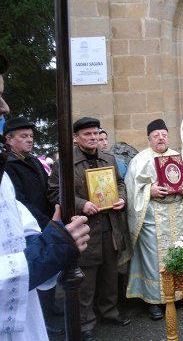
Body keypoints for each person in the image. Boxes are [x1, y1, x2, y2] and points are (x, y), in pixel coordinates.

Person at [0, 51, 90, 341]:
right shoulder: (11, 164)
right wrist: (50, 244)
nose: (4, 107)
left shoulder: (24, 164)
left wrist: (48, 236)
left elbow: (15, 221)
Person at [48, 117, 130, 341]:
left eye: (96, 134)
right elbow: (55, 192)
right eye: (88, 134)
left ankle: (109, 311)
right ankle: (85, 323)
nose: (93, 138)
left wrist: (121, 198)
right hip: (83, 226)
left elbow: (120, 183)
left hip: (109, 225)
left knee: (110, 272)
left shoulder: (108, 158)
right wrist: (81, 204)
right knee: (86, 276)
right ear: (76, 138)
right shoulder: (64, 162)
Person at [124, 119, 183, 320]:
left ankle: (178, 294)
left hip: (177, 214)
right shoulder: (140, 160)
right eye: (156, 135)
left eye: (163, 134)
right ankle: (154, 301)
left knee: (179, 253)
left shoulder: (178, 158)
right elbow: (132, 190)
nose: (160, 138)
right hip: (153, 217)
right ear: (149, 139)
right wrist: (149, 190)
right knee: (153, 259)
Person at [3, 117, 64, 336]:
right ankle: (44, 318)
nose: (30, 140)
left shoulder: (34, 161)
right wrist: (46, 221)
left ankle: (51, 308)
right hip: (29, 223)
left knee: (48, 268)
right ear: (9, 140)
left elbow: (47, 189)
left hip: (46, 219)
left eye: (31, 136)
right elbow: (19, 201)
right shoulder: (9, 165)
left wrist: (56, 208)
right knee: (35, 273)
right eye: (23, 136)